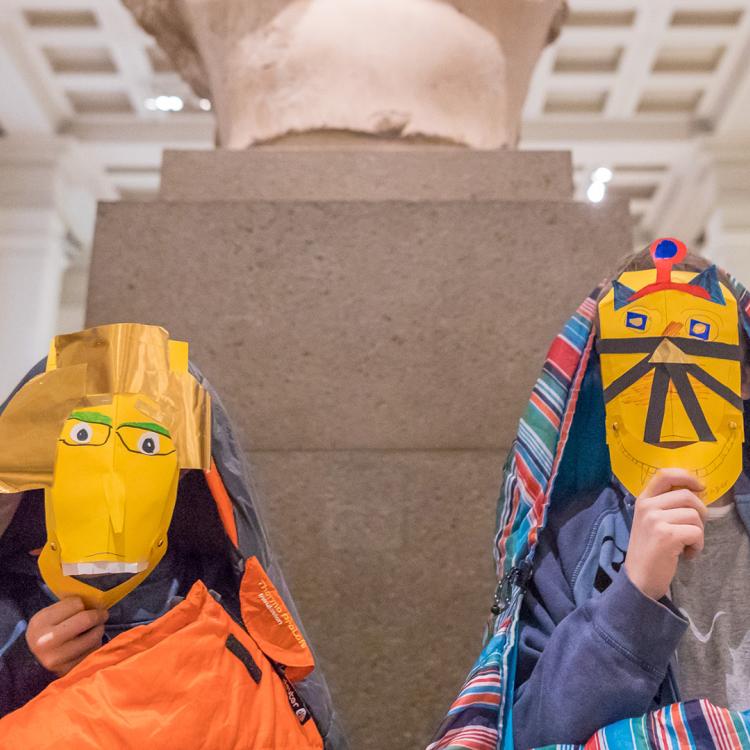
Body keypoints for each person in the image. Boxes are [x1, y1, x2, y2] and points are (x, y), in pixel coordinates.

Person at [512, 242, 750, 749]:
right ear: (603, 383)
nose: (668, 363)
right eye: (635, 354)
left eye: (700, 336)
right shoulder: (570, 545)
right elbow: (538, 733)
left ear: (744, 371)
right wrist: (635, 593)